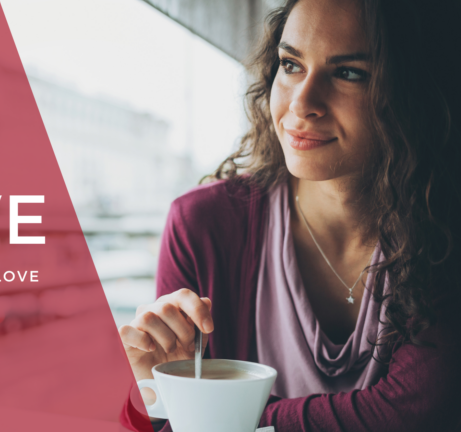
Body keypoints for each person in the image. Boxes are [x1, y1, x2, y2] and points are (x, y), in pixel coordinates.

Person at [119, 0, 461, 430]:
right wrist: (150, 398)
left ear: (414, 93)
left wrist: (205, 407)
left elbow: (413, 411)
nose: (302, 103)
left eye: (348, 72)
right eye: (291, 64)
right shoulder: (202, 225)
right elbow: (171, 425)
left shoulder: (444, 230)